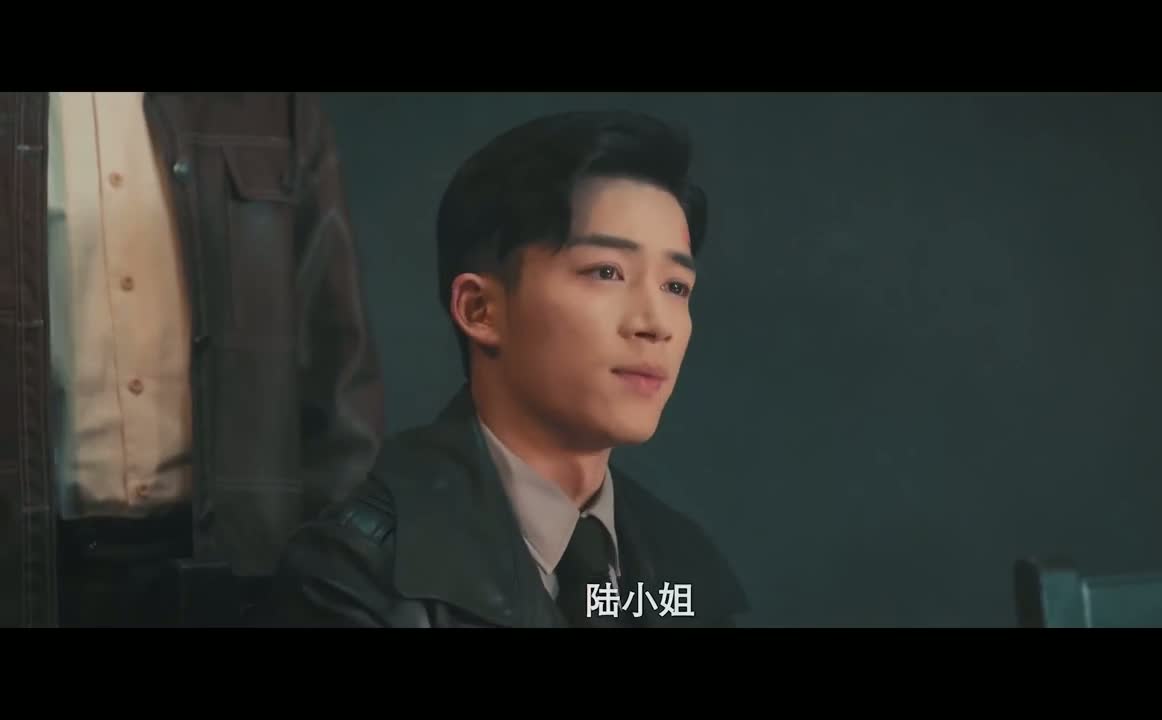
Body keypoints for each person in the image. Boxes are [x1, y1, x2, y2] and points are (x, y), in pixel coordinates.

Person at [269, 110, 749, 628]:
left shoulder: (683, 568)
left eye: (676, 286)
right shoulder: (357, 572)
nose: (656, 324)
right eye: (607, 271)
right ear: (480, 310)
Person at [0, 92, 384, 627]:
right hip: (37, 576)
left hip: (240, 579)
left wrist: (335, 579)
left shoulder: (272, 109)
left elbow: (338, 366)